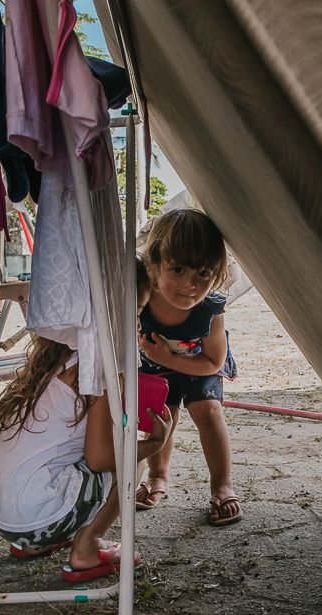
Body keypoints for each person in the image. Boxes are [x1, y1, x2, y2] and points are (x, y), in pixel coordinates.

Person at [0, 261, 170, 581]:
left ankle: (36, 545)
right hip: (35, 516)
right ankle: (86, 550)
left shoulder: (57, 354)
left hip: (0, 512)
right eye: (134, 313)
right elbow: (101, 458)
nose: (137, 325)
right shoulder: (98, 366)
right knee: (132, 461)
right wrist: (155, 443)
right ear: (110, 313)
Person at [134, 208, 242, 526]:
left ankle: (222, 485)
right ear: (154, 265)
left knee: (208, 412)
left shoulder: (210, 308)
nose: (190, 285)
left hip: (199, 364)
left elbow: (213, 362)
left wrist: (168, 359)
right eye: (178, 270)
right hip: (154, 364)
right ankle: (157, 477)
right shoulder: (141, 297)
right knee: (161, 418)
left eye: (203, 274)